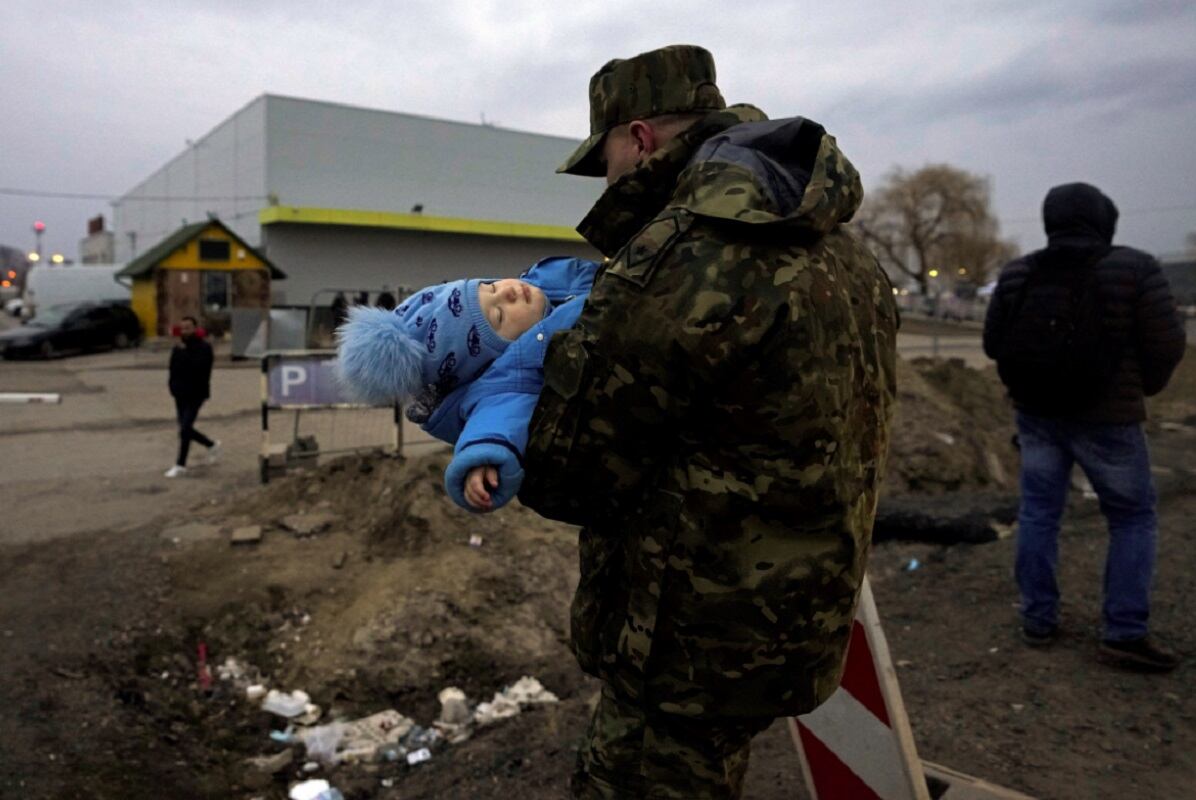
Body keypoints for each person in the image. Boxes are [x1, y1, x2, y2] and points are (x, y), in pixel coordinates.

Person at [513, 45, 899, 799]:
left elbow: (571, 474)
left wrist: (489, 407)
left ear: (642, 138)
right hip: (797, 615)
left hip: (685, 644)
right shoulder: (838, 244)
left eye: (609, 158)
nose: (611, 178)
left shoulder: (688, 254)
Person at [983, 182, 1186, 672]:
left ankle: (1037, 619)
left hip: (1036, 416)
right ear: (1104, 219)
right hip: (1109, 420)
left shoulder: (1018, 272)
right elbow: (1166, 343)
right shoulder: (1136, 267)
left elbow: (993, 345)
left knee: (1038, 514)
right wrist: (1143, 388)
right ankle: (1123, 631)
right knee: (1132, 517)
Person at [335, 256, 598, 509]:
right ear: (489, 361)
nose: (508, 292)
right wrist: (483, 456)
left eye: (490, 286)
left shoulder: (547, 280)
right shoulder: (509, 376)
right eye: (498, 316)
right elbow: (495, 419)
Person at [166, 316, 219, 478]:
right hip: (180, 394)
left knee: (185, 428)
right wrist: (172, 387)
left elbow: (200, 368)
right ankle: (211, 444)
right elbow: (172, 369)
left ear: (195, 328)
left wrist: (185, 352)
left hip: (196, 393)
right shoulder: (178, 348)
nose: (185, 331)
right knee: (184, 429)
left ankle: (180, 464)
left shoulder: (204, 347)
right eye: (183, 328)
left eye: (188, 328)